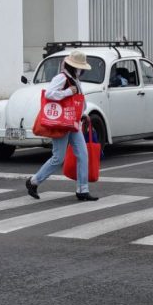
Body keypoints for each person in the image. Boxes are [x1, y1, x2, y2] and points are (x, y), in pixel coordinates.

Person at [26, 50, 99, 202]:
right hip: (61, 123)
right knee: (58, 158)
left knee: (83, 155)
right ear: (74, 67)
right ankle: (33, 182)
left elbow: (77, 102)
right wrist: (66, 92)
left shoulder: (74, 79)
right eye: (80, 68)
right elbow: (49, 94)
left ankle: (82, 190)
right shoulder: (62, 78)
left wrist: (81, 114)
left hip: (72, 122)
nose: (82, 70)